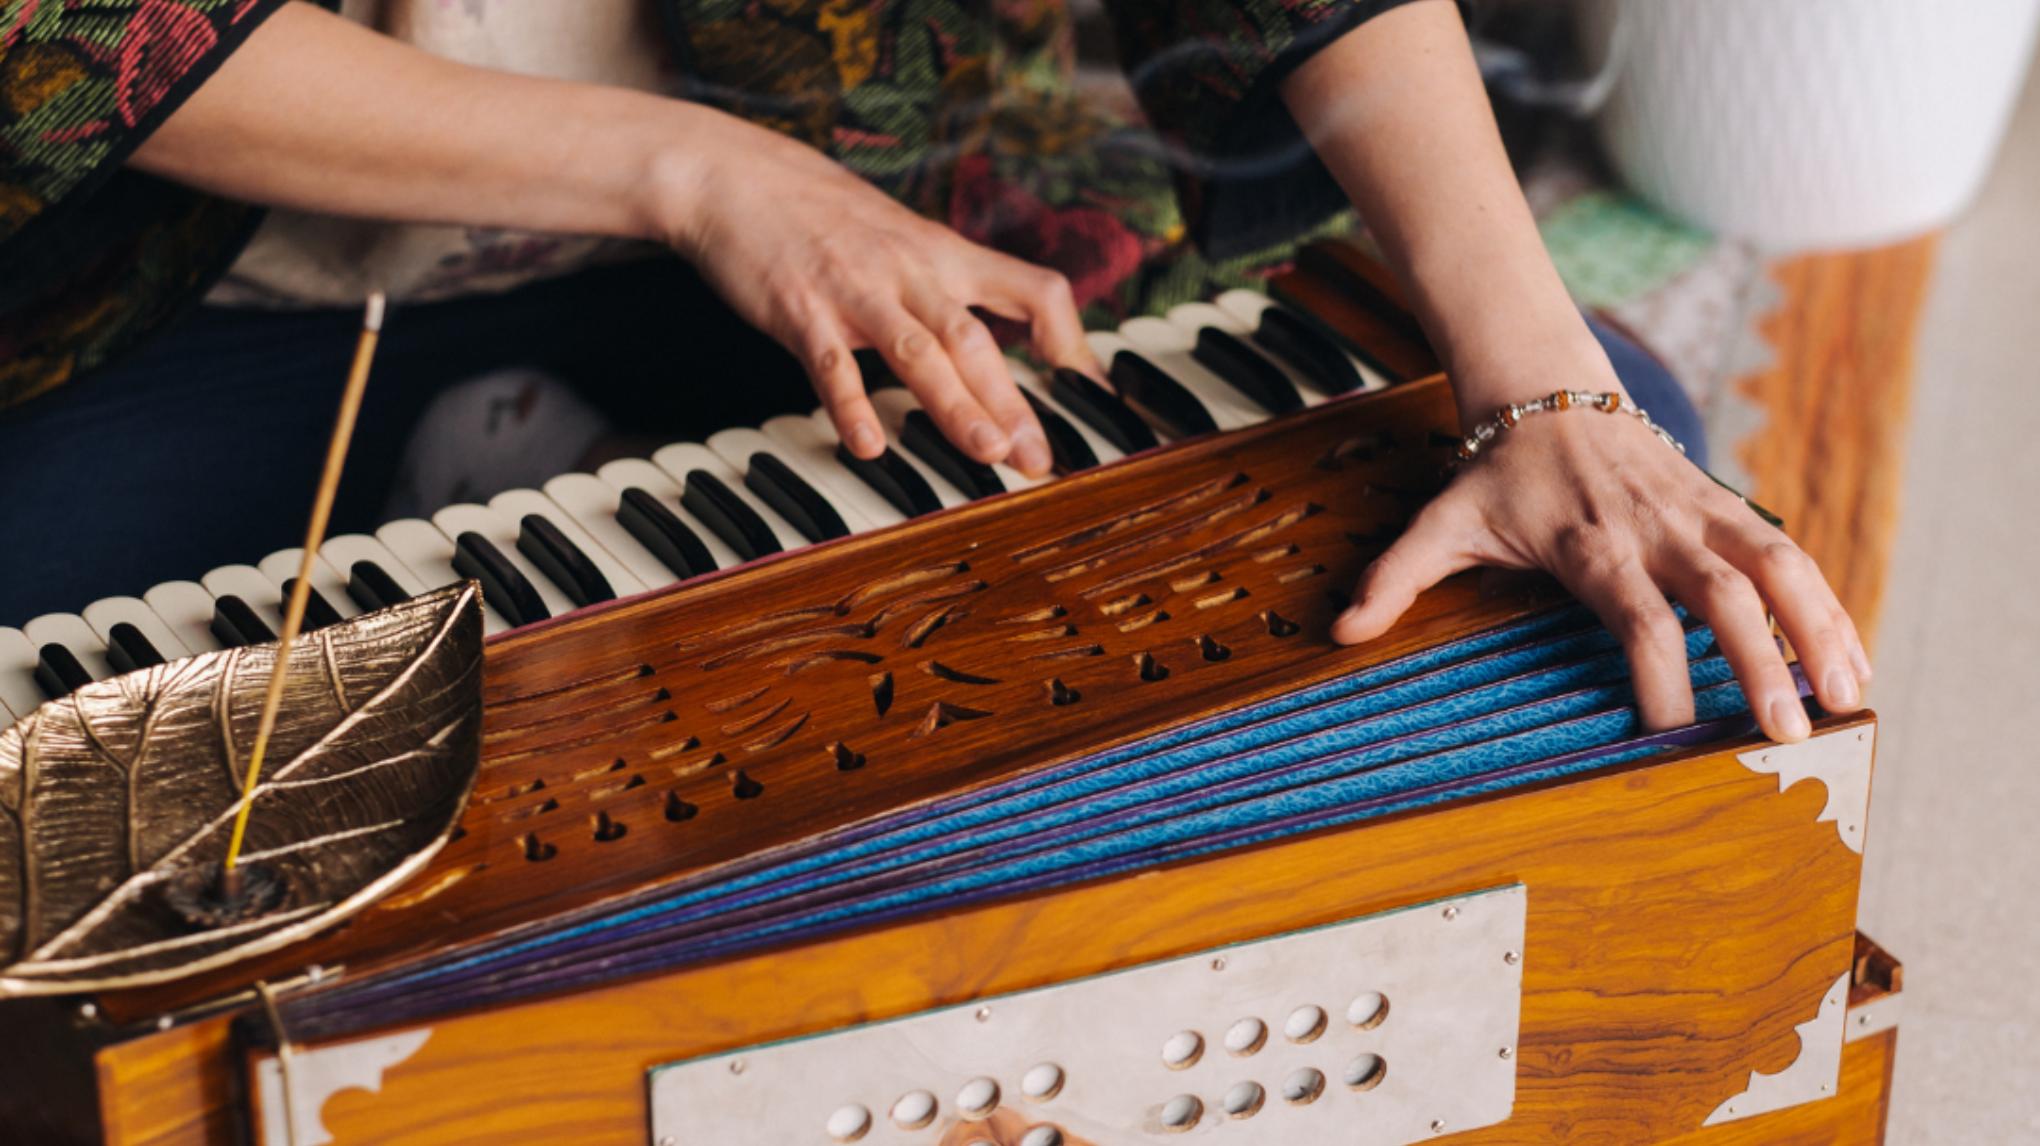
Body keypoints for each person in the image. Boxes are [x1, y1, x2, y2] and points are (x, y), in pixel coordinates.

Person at [0, 0, 1867, 761]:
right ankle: (579, 483)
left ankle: (592, 485)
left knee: (1603, 547)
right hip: (218, 295)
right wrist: (696, 177)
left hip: (858, 210)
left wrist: (1545, 399)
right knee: (66, 764)